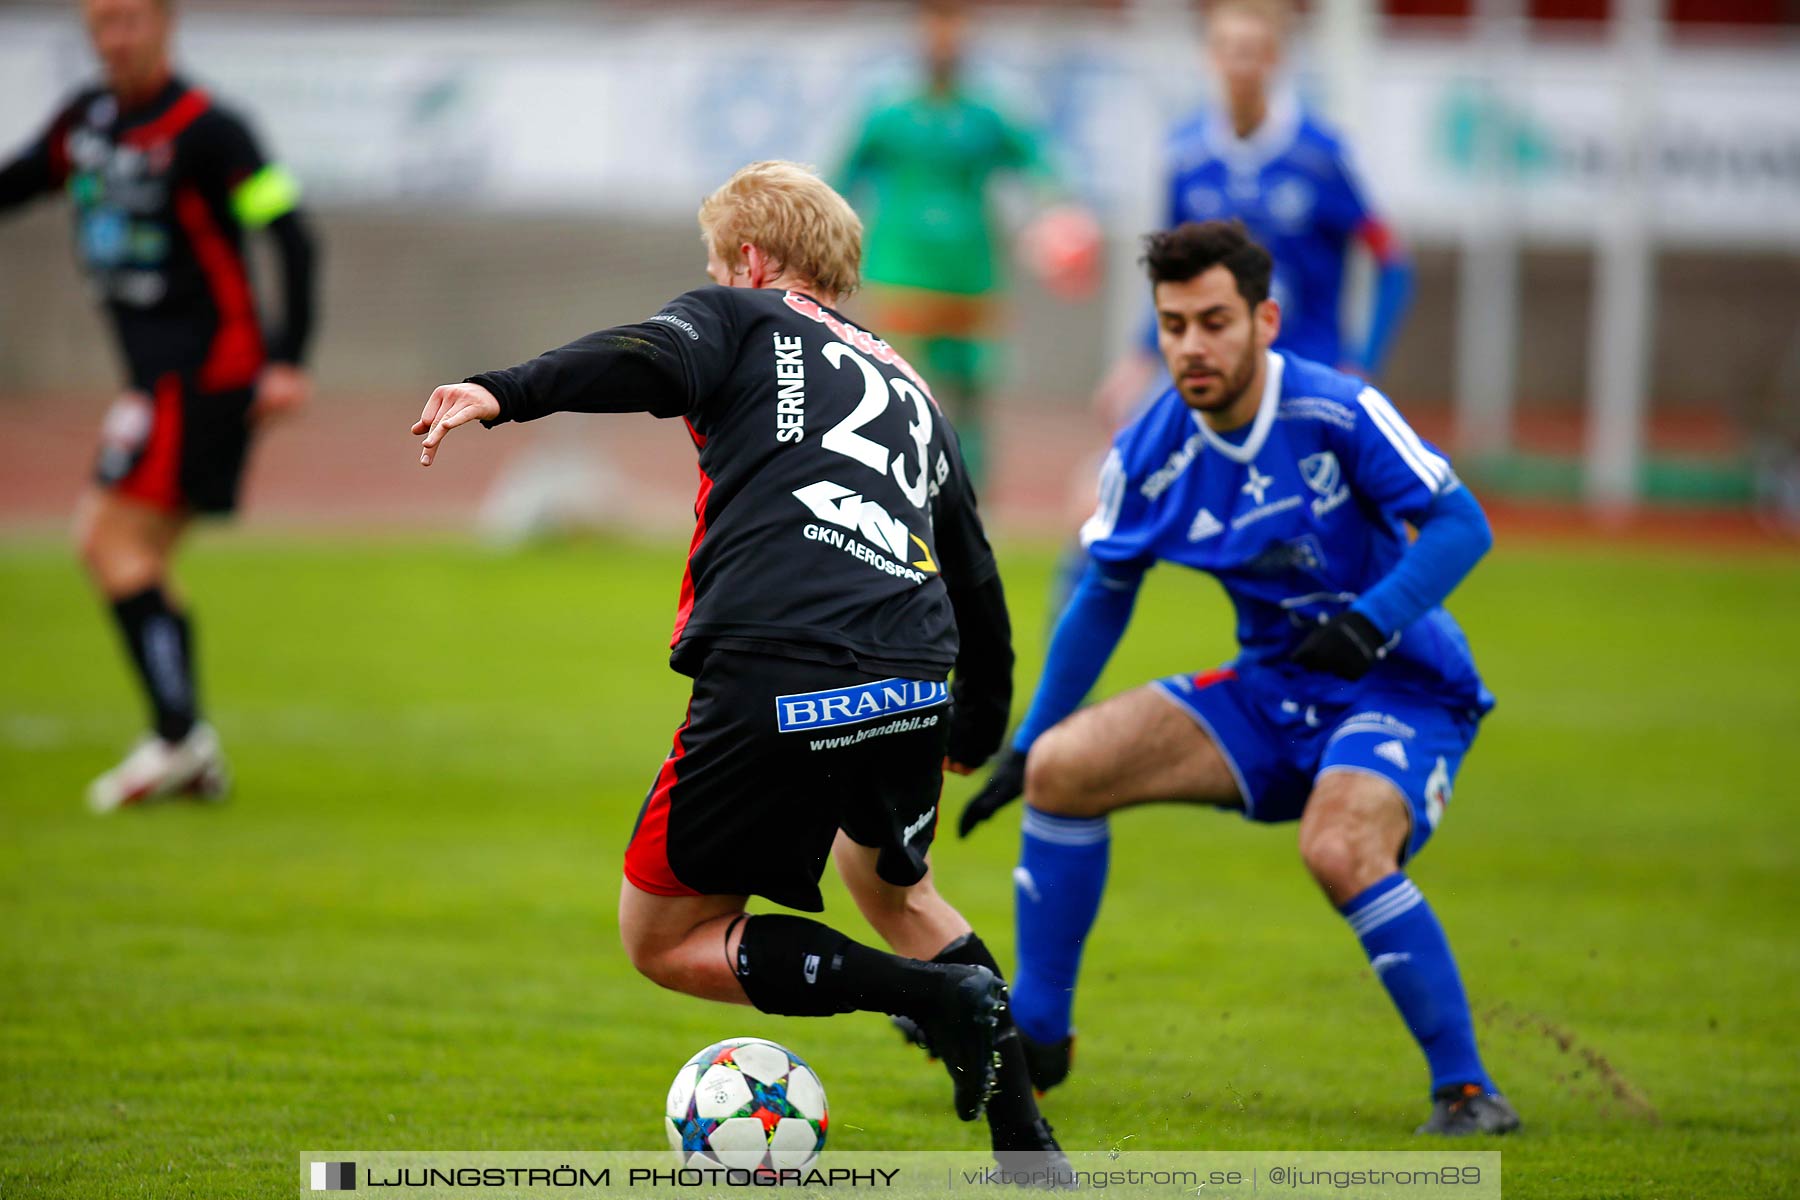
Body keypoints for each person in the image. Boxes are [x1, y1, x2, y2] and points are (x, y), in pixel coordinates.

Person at [412, 161, 1065, 1165]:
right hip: (913, 672)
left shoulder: (743, 318)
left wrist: (505, 392)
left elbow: (642, 356)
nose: (713, 277)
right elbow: (976, 575)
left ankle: (935, 997)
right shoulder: (912, 386)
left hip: (782, 662)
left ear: (749, 261)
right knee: (894, 885)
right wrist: (975, 725)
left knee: (665, 937)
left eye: (718, 262)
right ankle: (1027, 1139)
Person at [954, 220, 1521, 1137]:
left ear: (1265, 320)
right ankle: (1041, 1039)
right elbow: (1103, 595)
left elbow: (1463, 523)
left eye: (1213, 321)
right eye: (1172, 324)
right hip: (1275, 690)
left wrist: (1373, 619)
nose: (1191, 345)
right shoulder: (1148, 453)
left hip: (1402, 688)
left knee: (1338, 849)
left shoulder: (1336, 410)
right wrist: (1025, 747)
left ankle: (1466, 1092)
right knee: (1067, 770)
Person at [0, 0, 317, 811]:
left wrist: (287, 361)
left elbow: (289, 231)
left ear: (165, 24)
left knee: (109, 541)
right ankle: (185, 744)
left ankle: (179, 739)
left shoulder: (210, 129)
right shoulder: (88, 123)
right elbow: (19, 182)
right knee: (128, 554)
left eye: (132, 20)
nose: (118, 37)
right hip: (154, 384)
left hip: (208, 373)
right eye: (103, 23)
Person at [1091, 0, 1412, 428]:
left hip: (1304, 377)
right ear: (1209, 56)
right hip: (1215, 376)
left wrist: (1360, 362)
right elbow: (1172, 274)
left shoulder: (1320, 156)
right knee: (1110, 475)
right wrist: (1140, 356)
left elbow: (1393, 263)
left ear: (1275, 58)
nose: (1239, 64)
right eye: (1227, 49)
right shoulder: (1187, 157)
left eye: (1252, 50)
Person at [836, 0, 1097, 490]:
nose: (943, 35)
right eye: (934, 22)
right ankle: (892, 495)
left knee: (970, 395)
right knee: (894, 389)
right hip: (902, 270)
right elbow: (843, 181)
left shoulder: (986, 114)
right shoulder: (889, 114)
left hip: (970, 272)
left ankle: (969, 503)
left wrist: (1061, 214)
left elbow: (1040, 166)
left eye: (953, 22)